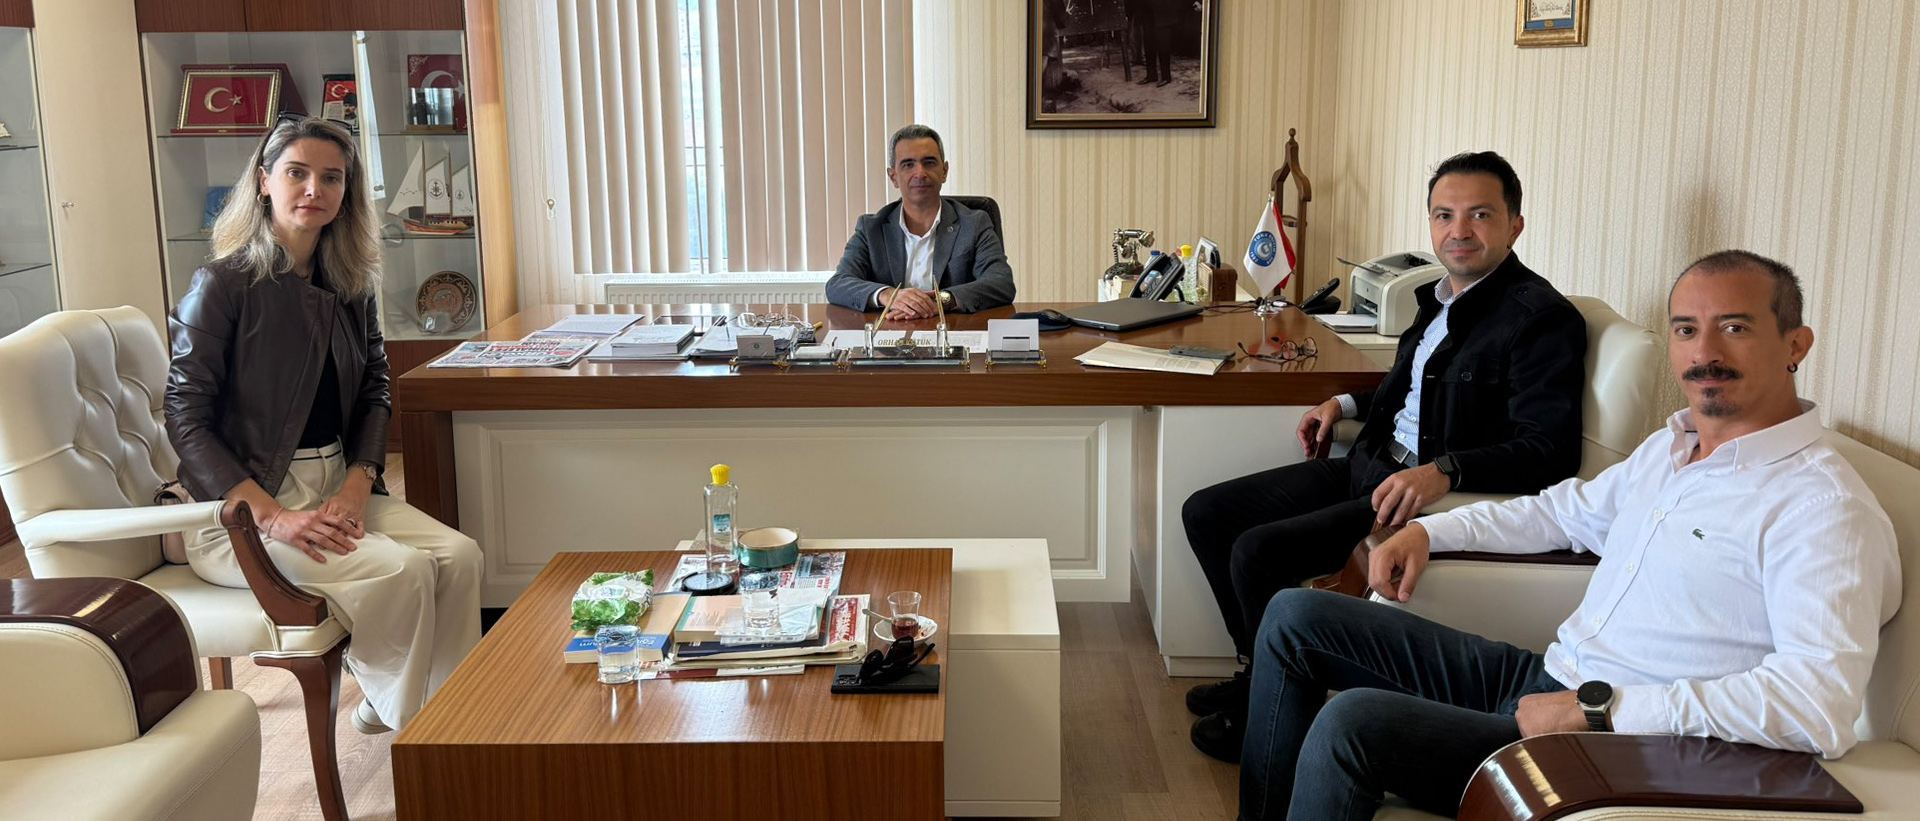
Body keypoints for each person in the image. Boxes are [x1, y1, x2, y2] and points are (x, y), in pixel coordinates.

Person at [1237, 250, 1901, 820]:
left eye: (1735, 327)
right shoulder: (1672, 449)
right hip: (1548, 677)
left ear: (1796, 344)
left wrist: (1600, 711)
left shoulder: (1822, 506)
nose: (1704, 353)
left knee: (1352, 723)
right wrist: (1431, 531)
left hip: (1609, 746)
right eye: (1686, 329)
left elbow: (1815, 705)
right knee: (1295, 616)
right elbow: (1561, 513)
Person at [1181, 151, 1587, 760]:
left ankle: (1267, 717)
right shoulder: (1438, 299)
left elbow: (1549, 450)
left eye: (1480, 215)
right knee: (1207, 512)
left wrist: (1445, 470)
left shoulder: (1540, 319)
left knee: (1257, 551)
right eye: (1444, 215)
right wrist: (1343, 403)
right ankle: (1258, 675)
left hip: (1413, 495)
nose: (1459, 230)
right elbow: (1413, 388)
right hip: (1370, 463)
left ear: (1515, 225)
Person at [165, 116, 481, 735]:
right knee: (402, 570)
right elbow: (185, 417)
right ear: (264, 182)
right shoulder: (221, 284)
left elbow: (375, 389)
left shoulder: (351, 283)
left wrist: (359, 483)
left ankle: (437, 715)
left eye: (331, 178)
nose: (314, 189)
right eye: (297, 173)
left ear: (346, 191)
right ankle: (423, 733)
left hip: (336, 482)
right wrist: (273, 517)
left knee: (461, 557)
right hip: (241, 509)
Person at [825, 124, 1016, 318]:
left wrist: (943, 300)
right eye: (908, 165)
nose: (920, 173)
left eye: (929, 163)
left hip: (951, 330)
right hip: (891, 331)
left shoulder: (974, 223)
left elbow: (1001, 282)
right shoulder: (871, 228)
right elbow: (838, 284)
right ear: (893, 177)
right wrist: (888, 295)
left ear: (944, 171)